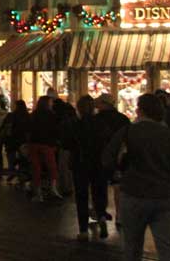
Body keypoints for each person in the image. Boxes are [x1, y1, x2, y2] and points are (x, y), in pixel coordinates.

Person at [102, 93, 170, 261]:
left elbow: (107, 158)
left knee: (133, 246)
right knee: (166, 246)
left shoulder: (128, 132)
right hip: (166, 195)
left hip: (134, 193)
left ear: (140, 110)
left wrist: (120, 171)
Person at [91, 93, 130, 236]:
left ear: (103, 104)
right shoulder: (123, 119)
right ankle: (120, 215)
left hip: (99, 159)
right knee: (118, 187)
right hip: (118, 159)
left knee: (99, 186)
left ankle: (100, 213)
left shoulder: (95, 120)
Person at [67, 95, 98, 240]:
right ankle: (100, 218)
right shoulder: (99, 123)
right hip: (97, 163)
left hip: (80, 162)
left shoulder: (74, 124)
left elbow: (68, 143)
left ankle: (83, 229)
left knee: (81, 196)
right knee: (98, 191)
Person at [28, 95, 63, 201]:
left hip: (34, 143)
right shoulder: (52, 115)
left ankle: (38, 193)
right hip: (47, 144)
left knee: (36, 168)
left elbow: (30, 128)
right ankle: (53, 189)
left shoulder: (34, 114)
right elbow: (55, 130)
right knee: (51, 167)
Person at [1, 99, 30, 180]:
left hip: (11, 140)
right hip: (22, 140)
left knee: (11, 158)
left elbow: (4, 127)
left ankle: (12, 172)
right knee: (23, 158)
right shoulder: (27, 116)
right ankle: (21, 175)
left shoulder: (11, 115)